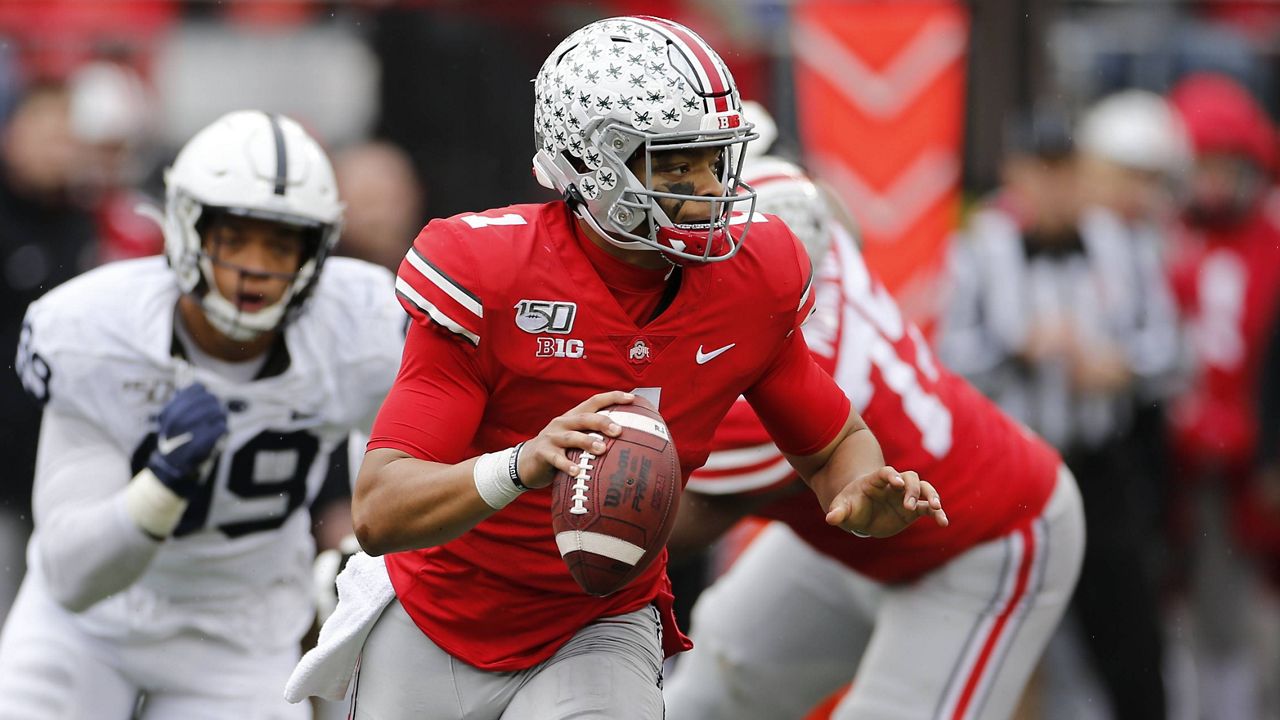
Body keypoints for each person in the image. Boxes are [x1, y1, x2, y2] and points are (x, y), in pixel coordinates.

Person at [287, 16, 947, 720]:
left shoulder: (753, 277)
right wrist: (523, 464)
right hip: (440, 616)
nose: (707, 189)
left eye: (715, 161)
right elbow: (382, 509)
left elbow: (834, 443)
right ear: (591, 162)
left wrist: (861, 498)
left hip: (598, 622)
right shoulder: (491, 273)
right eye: (675, 164)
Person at [0, 110, 406, 718]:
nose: (256, 268)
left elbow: (409, 459)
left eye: (279, 243)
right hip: (89, 628)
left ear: (316, 248)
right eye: (235, 237)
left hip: (243, 634)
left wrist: (366, 553)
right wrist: (161, 488)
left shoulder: (362, 324)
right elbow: (71, 575)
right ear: (190, 229)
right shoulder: (94, 330)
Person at [661, 153, 1085, 720]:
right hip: (855, 532)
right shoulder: (794, 226)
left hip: (981, 541)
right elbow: (833, 213)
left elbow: (656, 524)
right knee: (709, 693)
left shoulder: (781, 397)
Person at [937, 108, 1173, 719]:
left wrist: (1125, 368)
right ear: (1016, 174)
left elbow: (1172, 349)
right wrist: (1015, 349)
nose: (1053, 187)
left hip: (1101, 466)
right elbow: (947, 360)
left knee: (1131, 636)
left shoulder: (1122, 243)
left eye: (1064, 171)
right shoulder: (981, 246)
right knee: (1009, 634)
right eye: (1040, 172)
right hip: (1014, 473)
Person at [1164, 72, 1280, 720]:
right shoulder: (1160, 233)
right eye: (1198, 167)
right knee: (1182, 603)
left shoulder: (1269, 237)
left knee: (1239, 608)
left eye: (1223, 167)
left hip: (1252, 457)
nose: (1210, 183)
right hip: (1179, 457)